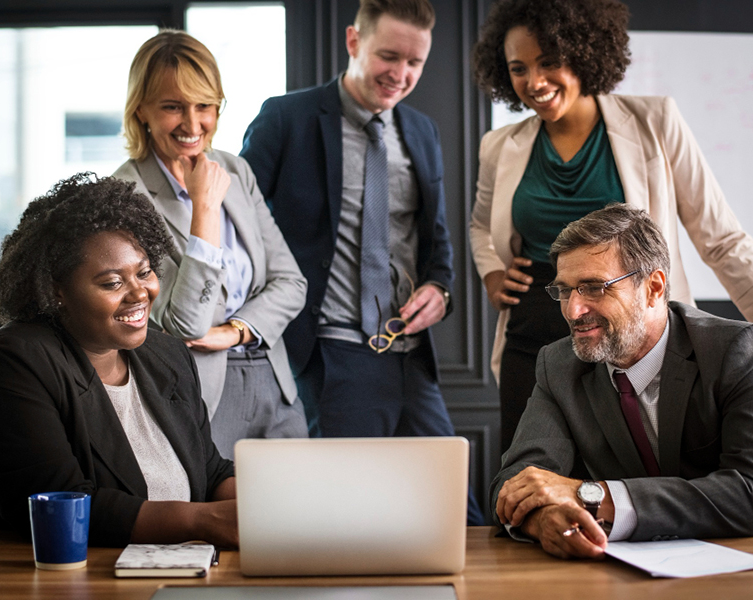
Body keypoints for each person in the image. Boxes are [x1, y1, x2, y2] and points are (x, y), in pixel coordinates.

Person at [468, 0, 753, 453]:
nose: (534, 82)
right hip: (534, 331)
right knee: (530, 478)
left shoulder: (654, 121)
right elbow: (481, 226)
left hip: (631, 330)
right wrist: (490, 271)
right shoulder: (500, 145)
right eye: (518, 68)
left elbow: (720, 238)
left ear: (584, 51)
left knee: (632, 483)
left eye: (549, 62)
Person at [241, 0, 484, 525]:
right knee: (346, 519)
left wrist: (441, 290)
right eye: (388, 56)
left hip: (411, 358)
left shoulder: (421, 131)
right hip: (329, 356)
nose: (400, 75)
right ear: (354, 42)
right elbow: (238, 229)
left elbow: (435, 238)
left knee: (458, 515)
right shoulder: (285, 119)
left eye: (415, 63)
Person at [0, 174, 238, 548]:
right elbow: (58, 502)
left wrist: (267, 499)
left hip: (172, 567)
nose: (139, 292)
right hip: (54, 577)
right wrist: (205, 521)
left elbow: (210, 471)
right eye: (111, 283)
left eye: (144, 271)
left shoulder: (165, 354)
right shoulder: (13, 363)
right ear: (57, 291)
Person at [491, 203, 753, 559]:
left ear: (654, 288)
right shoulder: (559, 365)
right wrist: (545, 518)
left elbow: (747, 491)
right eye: (565, 290)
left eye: (594, 287)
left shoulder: (735, 352)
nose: (573, 311)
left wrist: (594, 496)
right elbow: (518, 481)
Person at [114, 31, 308, 459]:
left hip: (273, 380)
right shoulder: (124, 194)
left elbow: (291, 283)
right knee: (217, 522)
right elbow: (184, 324)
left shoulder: (235, 171)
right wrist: (204, 208)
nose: (192, 123)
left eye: (204, 106)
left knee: (298, 519)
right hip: (198, 390)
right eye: (172, 106)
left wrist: (234, 331)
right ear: (141, 110)